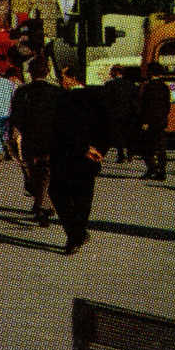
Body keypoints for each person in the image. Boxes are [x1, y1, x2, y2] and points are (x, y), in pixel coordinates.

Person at [51, 62, 108, 256]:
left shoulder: (62, 100)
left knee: (59, 193)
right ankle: (78, 234)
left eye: (62, 78)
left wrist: (82, 148)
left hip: (67, 155)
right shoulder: (97, 98)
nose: (60, 81)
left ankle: (75, 234)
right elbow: (107, 126)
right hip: (90, 158)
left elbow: (62, 130)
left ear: (71, 78)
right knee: (83, 197)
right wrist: (99, 150)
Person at [12, 55, 60, 225]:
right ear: (47, 73)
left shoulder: (22, 92)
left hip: (31, 140)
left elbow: (16, 121)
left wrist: (15, 138)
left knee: (35, 173)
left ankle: (41, 205)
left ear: (30, 73)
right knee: (48, 173)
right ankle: (44, 203)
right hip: (52, 140)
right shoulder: (58, 92)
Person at [136, 61, 173, 181]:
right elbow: (167, 105)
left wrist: (144, 121)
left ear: (150, 73)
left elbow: (146, 106)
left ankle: (152, 168)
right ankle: (162, 170)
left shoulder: (149, 87)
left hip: (149, 121)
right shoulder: (164, 87)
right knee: (161, 146)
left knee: (146, 146)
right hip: (161, 121)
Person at [103, 64, 140, 165]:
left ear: (115, 73)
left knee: (118, 135)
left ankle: (121, 155)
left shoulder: (110, 84)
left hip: (115, 113)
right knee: (128, 134)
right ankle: (130, 153)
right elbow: (136, 100)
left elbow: (105, 99)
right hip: (129, 113)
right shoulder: (131, 85)